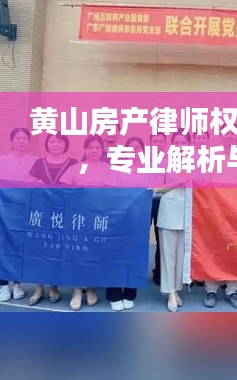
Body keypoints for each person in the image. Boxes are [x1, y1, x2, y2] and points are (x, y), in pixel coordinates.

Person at [60, 134, 111, 310]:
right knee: (78, 253)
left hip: (99, 217)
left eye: (97, 147)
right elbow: (64, 190)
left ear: (102, 150)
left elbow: (116, 193)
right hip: (79, 218)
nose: (94, 150)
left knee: (94, 253)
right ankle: (76, 290)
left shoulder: (109, 169)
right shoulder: (76, 168)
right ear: (85, 149)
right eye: (90, 147)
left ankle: (90, 288)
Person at [27, 132, 78, 305]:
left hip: (63, 212)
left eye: (60, 142)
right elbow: (28, 185)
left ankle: (54, 287)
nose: (56, 144)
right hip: (41, 211)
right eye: (52, 142)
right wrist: (35, 185)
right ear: (47, 144)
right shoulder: (38, 163)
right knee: (39, 248)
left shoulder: (73, 163)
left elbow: (78, 186)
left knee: (56, 248)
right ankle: (38, 287)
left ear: (65, 145)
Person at [0, 128, 38, 302]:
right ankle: (3, 286)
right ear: (12, 141)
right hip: (4, 209)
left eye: (25, 138)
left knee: (20, 247)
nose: (21, 141)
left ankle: (17, 284)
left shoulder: (34, 161)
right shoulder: (2, 160)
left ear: (29, 141)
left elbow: (37, 183)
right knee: (3, 247)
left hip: (24, 210)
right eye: (18, 138)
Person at [104, 136, 150, 311]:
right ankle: (114, 294)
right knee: (116, 255)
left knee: (135, 256)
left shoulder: (148, 169)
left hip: (139, 217)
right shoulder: (117, 168)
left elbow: (151, 191)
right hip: (119, 217)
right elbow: (109, 191)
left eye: (138, 147)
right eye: (131, 147)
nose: (135, 150)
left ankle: (130, 294)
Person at [203, 128, 237, 309]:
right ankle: (211, 290)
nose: (229, 136)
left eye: (232, 133)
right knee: (213, 250)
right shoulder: (212, 155)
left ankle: (232, 290)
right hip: (214, 211)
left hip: (235, 211)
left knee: (233, 250)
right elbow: (204, 183)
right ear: (221, 135)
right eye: (226, 133)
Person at [156, 131, 191, 312]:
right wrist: (177, 183)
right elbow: (155, 188)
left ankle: (177, 289)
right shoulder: (163, 161)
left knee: (181, 255)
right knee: (168, 254)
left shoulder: (195, 163)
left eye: (183, 142)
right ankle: (169, 291)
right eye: (176, 142)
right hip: (169, 210)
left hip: (188, 210)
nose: (180, 146)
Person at [150, 132, 167, 286]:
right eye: (155, 141)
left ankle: (160, 273)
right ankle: (137, 271)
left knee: (162, 238)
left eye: (161, 141)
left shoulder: (170, 160)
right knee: (139, 237)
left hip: (164, 202)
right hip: (143, 201)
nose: (158, 143)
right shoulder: (143, 160)